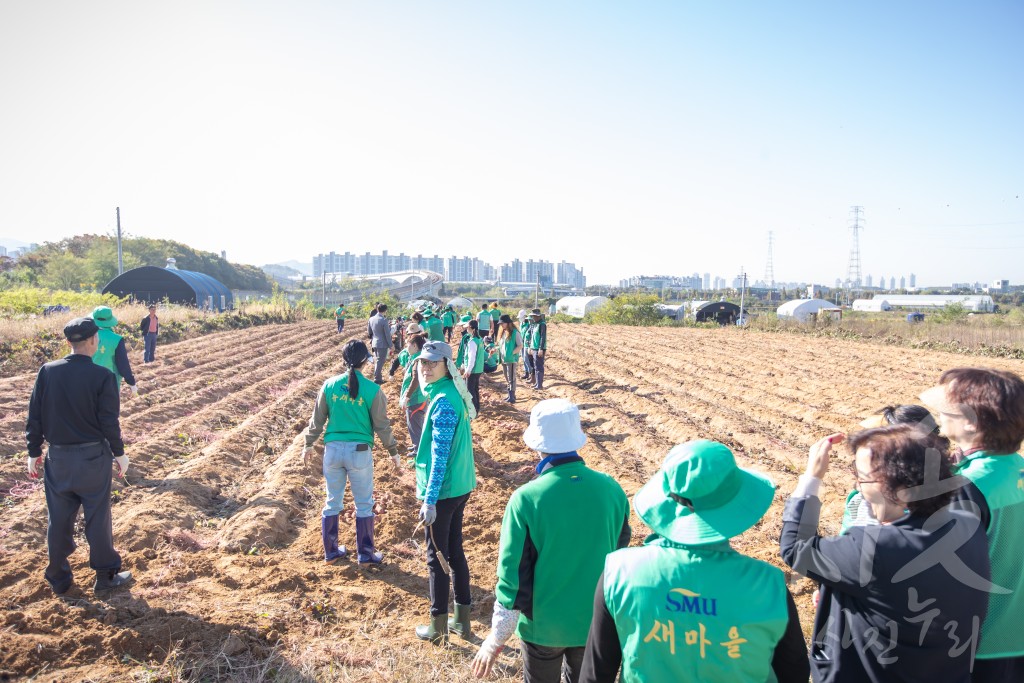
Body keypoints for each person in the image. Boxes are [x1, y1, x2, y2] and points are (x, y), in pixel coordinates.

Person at [581, 440, 809, 683]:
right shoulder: (768, 585)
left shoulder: (619, 572)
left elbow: (596, 674)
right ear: (734, 505)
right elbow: (794, 672)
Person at [780, 427, 990, 682]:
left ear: (890, 483)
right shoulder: (968, 526)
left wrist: (812, 476)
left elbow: (795, 548)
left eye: (862, 477)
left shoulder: (873, 549)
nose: (857, 485)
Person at [472, 399, 630, 682]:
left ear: (536, 444)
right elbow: (620, 557)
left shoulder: (526, 499)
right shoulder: (611, 489)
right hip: (594, 625)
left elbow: (513, 579)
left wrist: (495, 639)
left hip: (543, 629)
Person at [920, 368, 1024, 681]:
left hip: (975, 644)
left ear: (971, 422)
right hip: (1014, 636)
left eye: (947, 407)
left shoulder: (967, 486)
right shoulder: (1015, 468)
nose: (939, 414)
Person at [26, 317, 133, 595]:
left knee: (58, 519)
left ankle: (59, 579)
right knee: (97, 516)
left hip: (58, 458)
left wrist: (33, 451)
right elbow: (109, 421)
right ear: (94, 341)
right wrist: (120, 454)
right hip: (92, 458)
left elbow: (34, 415)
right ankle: (105, 576)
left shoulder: (47, 372)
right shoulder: (102, 377)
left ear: (68, 342)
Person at [402, 341, 478, 644]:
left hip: (445, 491)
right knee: (455, 550)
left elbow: (440, 454)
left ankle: (438, 626)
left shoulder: (444, 402)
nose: (426, 367)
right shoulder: (448, 394)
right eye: (422, 362)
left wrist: (430, 499)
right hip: (460, 486)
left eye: (433, 362)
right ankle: (462, 621)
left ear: (448, 364)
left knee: (437, 557)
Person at [302, 340, 402, 565]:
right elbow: (382, 425)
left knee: (332, 501)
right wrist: (393, 452)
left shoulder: (329, 385)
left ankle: (331, 551)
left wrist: (308, 445)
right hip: (359, 452)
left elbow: (316, 421)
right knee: (364, 503)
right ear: (366, 361)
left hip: (333, 451)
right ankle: (366, 554)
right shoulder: (373, 390)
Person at [91, 306, 139, 397]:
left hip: (88, 384)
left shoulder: (85, 337)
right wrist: (132, 384)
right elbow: (123, 365)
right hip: (109, 384)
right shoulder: (116, 339)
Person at [398, 332, 429, 455]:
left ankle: (418, 451)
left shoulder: (418, 360)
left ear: (415, 346)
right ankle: (417, 444)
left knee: (415, 424)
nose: (407, 348)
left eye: (408, 345)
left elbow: (415, 379)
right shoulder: (417, 357)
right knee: (414, 423)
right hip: (419, 397)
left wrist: (407, 397)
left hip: (416, 399)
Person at [496, 314, 524, 403]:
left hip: (511, 359)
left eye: (502, 323)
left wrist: (511, 353)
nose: (501, 325)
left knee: (511, 377)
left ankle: (512, 396)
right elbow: (502, 345)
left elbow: (520, 345)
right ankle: (510, 394)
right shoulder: (504, 332)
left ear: (508, 323)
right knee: (506, 376)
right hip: (504, 359)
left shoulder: (515, 333)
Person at [462, 320, 485, 413]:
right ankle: (477, 408)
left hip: (473, 369)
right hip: (478, 369)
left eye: (467, 328)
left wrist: (468, 370)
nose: (466, 329)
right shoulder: (479, 339)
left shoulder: (472, 342)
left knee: (470, 390)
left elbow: (472, 357)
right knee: (475, 389)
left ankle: (473, 410)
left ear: (471, 328)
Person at [366, 304, 391, 384]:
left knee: (377, 360)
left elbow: (369, 332)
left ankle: (378, 378)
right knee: (380, 361)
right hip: (382, 344)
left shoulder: (371, 319)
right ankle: (377, 378)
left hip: (374, 342)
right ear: (385, 310)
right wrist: (391, 345)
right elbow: (387, 334)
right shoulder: (384, 320)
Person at [526, 309, 547, 390]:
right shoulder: (535, 324)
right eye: (532, 316)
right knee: (535, 366)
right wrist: (530, 347)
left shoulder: (542, 324)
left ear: (538, 316)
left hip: (539, 348)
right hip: (534, 348)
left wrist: (541, 349)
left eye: (534, 316)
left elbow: (542, 337)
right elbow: (532, 337)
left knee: (539, 367)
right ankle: (537, 383)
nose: (533, 318)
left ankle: (539, 385)